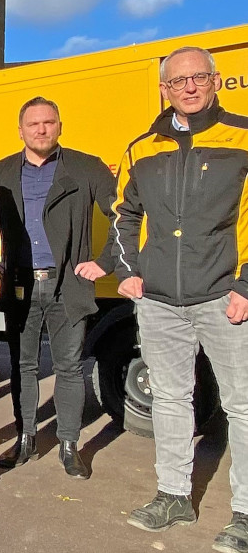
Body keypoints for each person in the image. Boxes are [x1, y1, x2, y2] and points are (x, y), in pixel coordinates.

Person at [113, 46, 248, 552]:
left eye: (198, 78)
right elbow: (123, 213)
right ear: (164, 89)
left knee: (243, 405)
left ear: (215, 81)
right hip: (161, 302)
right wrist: (129, 273)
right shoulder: (142, 148)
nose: (188, 88)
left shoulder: (242, 137)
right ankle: (174, 496)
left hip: (223, 297)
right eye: (177, 81)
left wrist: (246, 284)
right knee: (170, 399)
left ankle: (245, 513)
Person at [0, 96, 116, 480]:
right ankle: (25, 438)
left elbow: (125, 214)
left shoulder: (86, 167)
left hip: (68, 287)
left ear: (60, 125)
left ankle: (69, 444)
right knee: (23, 366)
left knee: (69, 367)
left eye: (49, 122)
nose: (41, 129)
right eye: (33, 124)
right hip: (21, 285)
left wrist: (105, 262)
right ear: (21, 130)